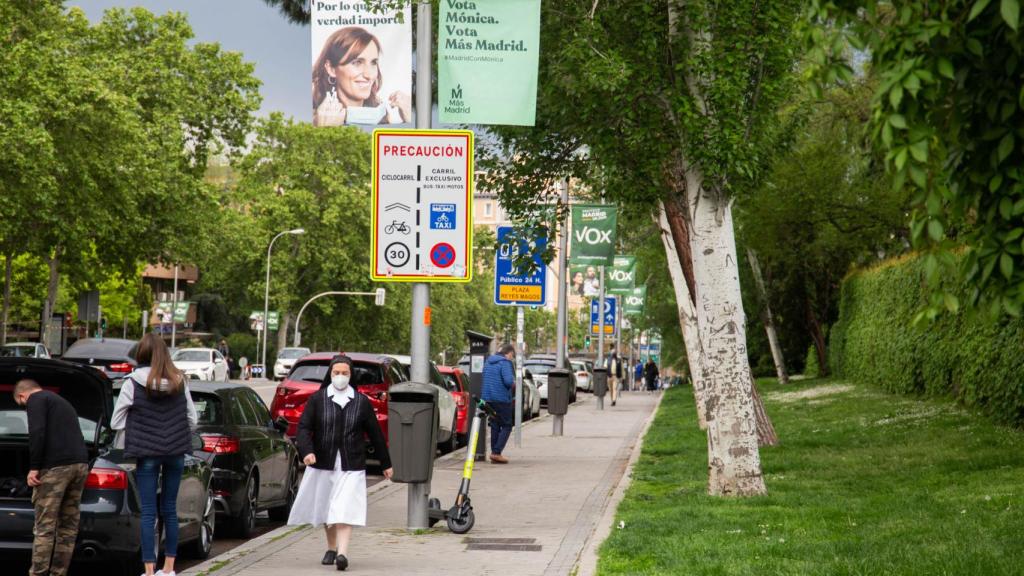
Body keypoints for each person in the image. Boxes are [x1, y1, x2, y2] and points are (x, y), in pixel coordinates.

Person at [289, 355, 392, 572]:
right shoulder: (318, 399)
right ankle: (331, 547)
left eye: (345, 373)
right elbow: (304, 428)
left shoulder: (361, 402)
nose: (340, 377)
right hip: (323, 462)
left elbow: (376, 434)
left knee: (344, 508)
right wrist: (307, 451)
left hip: (352, 463)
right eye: (336, 373)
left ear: (351, 375)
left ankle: (343, 554)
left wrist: (386, 463)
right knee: (328, 507)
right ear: (330, 374)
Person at [112, 333, 198, 576]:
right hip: (175, 452)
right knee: (170, 508)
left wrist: (138, 423)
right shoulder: (179, 381)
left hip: (146, 453)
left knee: (148, 511)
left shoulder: (132, 382)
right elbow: (192, 419)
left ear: (141, 354)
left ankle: (149, 571)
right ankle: (169, 569)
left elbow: (115, 421)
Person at [14, 379, 89, 576]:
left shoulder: (36, 399)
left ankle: (38, 574)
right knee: (67, 527)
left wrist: (34, 467)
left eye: (22, 405)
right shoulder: (61, 402)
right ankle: (58, 573)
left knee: (44, 527)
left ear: (22, 395)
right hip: (79, 465)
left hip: (56, 469)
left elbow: (37, 432)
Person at [312, 27, 411, 126]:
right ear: (331, 69)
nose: (369, 75)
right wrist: (324, 130)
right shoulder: (312, 119)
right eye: (357, 62)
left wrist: (410, 120)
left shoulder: (382, 116)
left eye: (373, 62)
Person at [481, 344, 515, 464]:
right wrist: (513, 382)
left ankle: (494, 453)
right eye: (512, 356)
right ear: (509, 353)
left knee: (495, 424)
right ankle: (496, 452)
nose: (512, 358)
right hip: (501, 399)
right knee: (507, 425)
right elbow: (508, 381)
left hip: (488, 399)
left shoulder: (488, 362)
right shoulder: (505, 363)